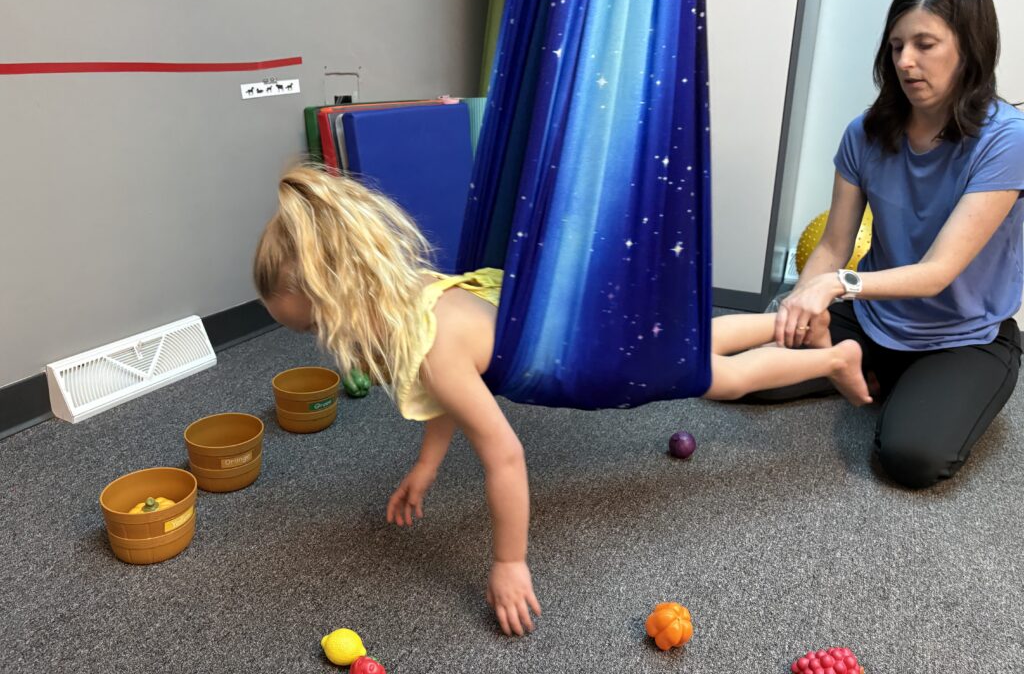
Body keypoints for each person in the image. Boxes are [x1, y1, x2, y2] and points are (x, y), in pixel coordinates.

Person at [253, 164, 881, 637]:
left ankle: (832, 358)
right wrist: (426, 465)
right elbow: (451, 397)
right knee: (694, 341)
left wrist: (509, 562)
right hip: (584, 315)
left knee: (718, 378)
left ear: (340, 298)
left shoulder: (434, 351)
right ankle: (789, 324)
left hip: (596, 355)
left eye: (315, 329)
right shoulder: (417, 294)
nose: (324, 344)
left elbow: (504, 455)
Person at [773, 0, 1024, 489]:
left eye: (925, 45)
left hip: (964, 336)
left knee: (911, 458)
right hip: (873, 318)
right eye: (896, 46)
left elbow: (937, 272)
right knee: (750, 374)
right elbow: (834, 245)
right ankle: (871, 369)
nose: (906, 61)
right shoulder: (864, 133)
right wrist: (802, 302)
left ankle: (911, 382)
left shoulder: (1007, 140)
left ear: (970, 49)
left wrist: (835, 285)